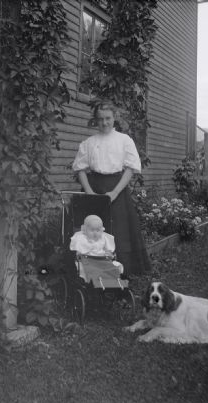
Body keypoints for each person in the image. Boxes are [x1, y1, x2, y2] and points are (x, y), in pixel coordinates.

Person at [71, 101, 152, 277]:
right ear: (96, 120)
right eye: (100, 119)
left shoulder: (124, 140)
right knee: (93, 234)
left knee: (119, 233)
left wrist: (115, 192)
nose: (104, 123)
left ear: (114, 118)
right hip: (93, 190)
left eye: (108, 118)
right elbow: (80, 169)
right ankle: (94, 278)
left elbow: (130, 168)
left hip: (117, 190)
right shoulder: (89, 143)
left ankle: (121, 278)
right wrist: (90, 193)